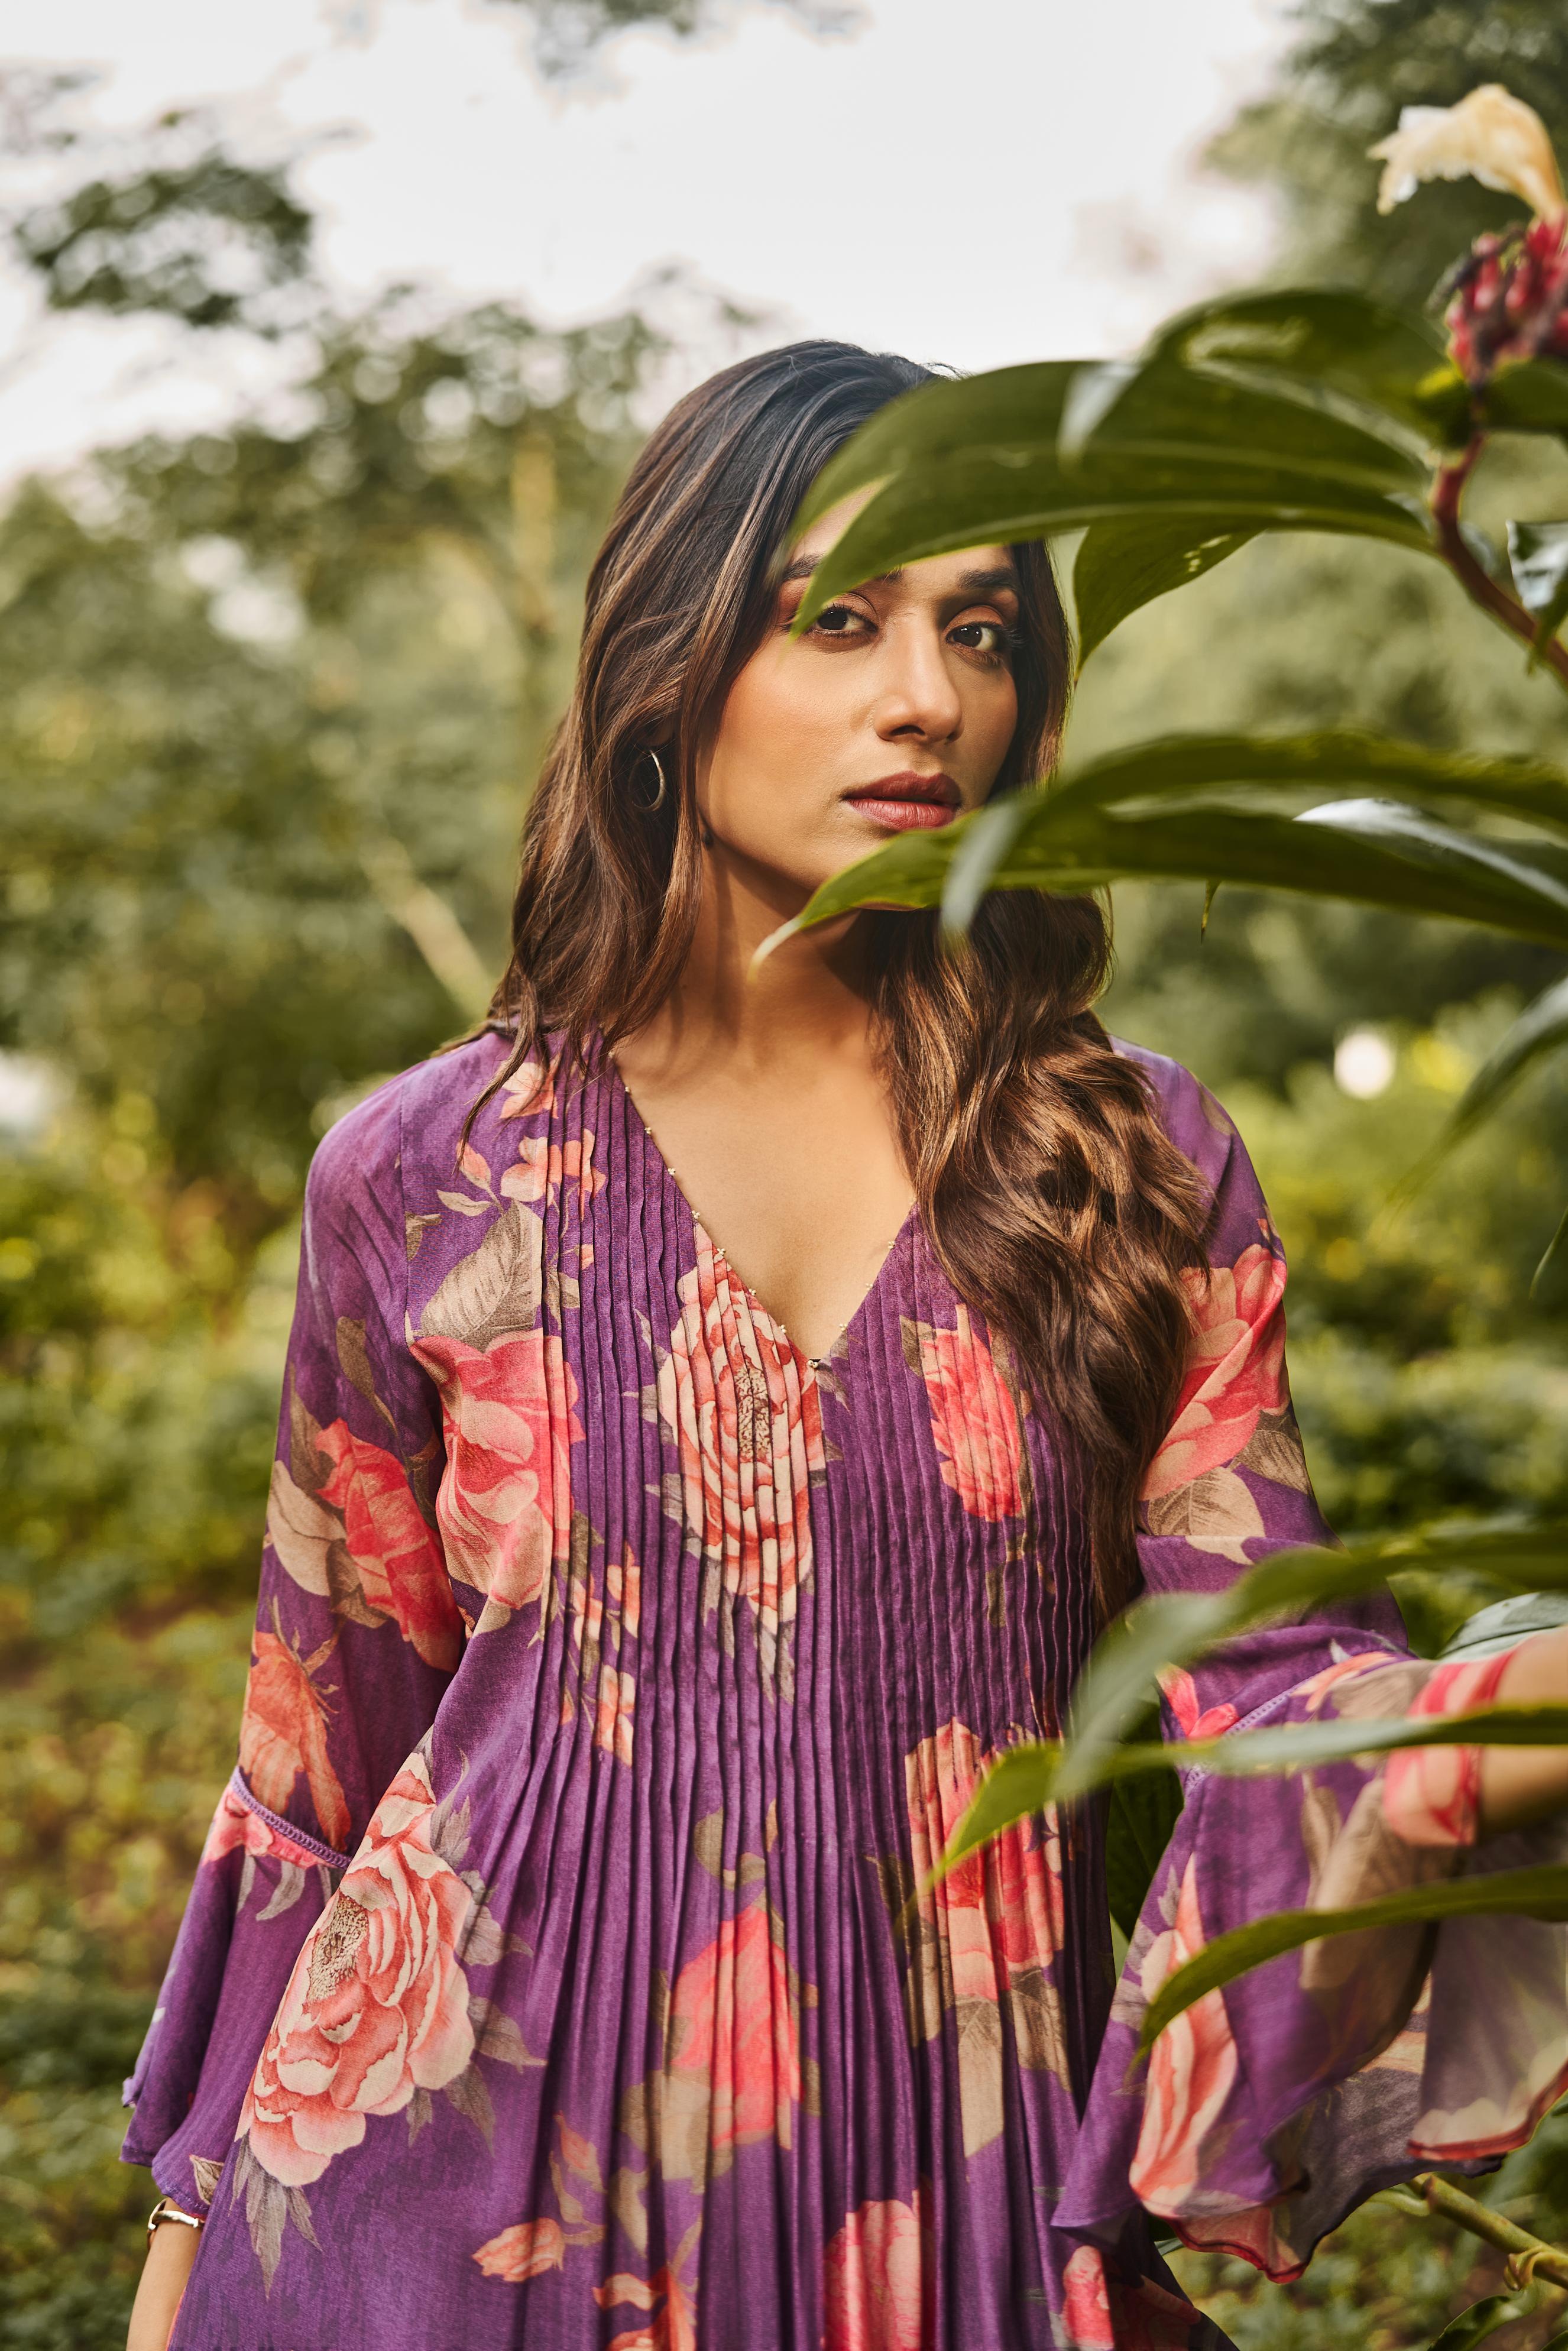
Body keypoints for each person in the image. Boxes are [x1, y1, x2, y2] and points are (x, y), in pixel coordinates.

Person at [123, 341, 1568, 2351]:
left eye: (981, 629)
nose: (927, 697)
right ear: (667, 668)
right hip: (436, 2234)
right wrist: (191, 2252)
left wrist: (1525, 1699)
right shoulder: (426, 1173)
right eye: (836, 618)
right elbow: (321, 1744)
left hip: (947, 2201)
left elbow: (1276, 1701)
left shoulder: (1127, 1162)